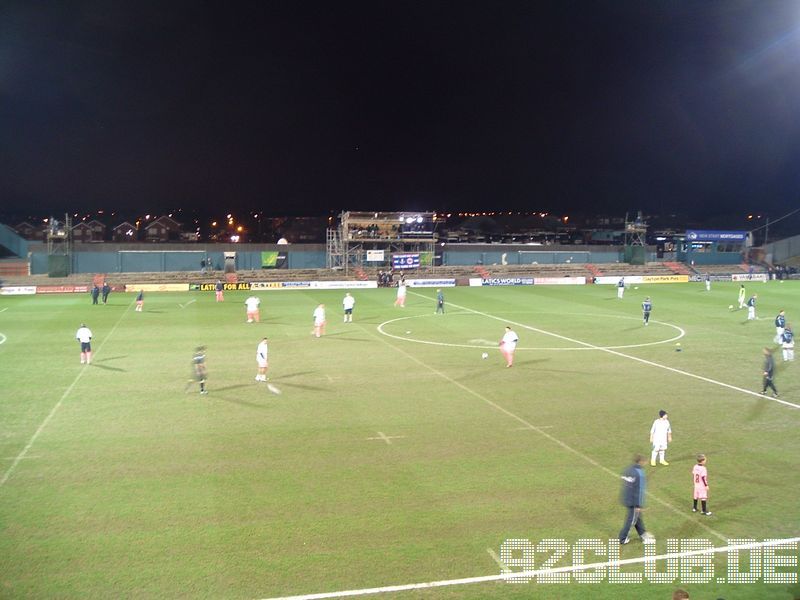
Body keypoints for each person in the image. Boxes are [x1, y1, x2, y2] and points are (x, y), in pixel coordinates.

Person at [618, 454, 655, 545]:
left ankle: (643, 534)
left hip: (626, 497)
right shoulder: (640, 473)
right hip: (633, 501)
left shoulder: (628, 469)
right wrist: (638, 505)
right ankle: (622, 538)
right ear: (641, 462)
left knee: (637, 517)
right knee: (631, 520)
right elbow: (639, 490)